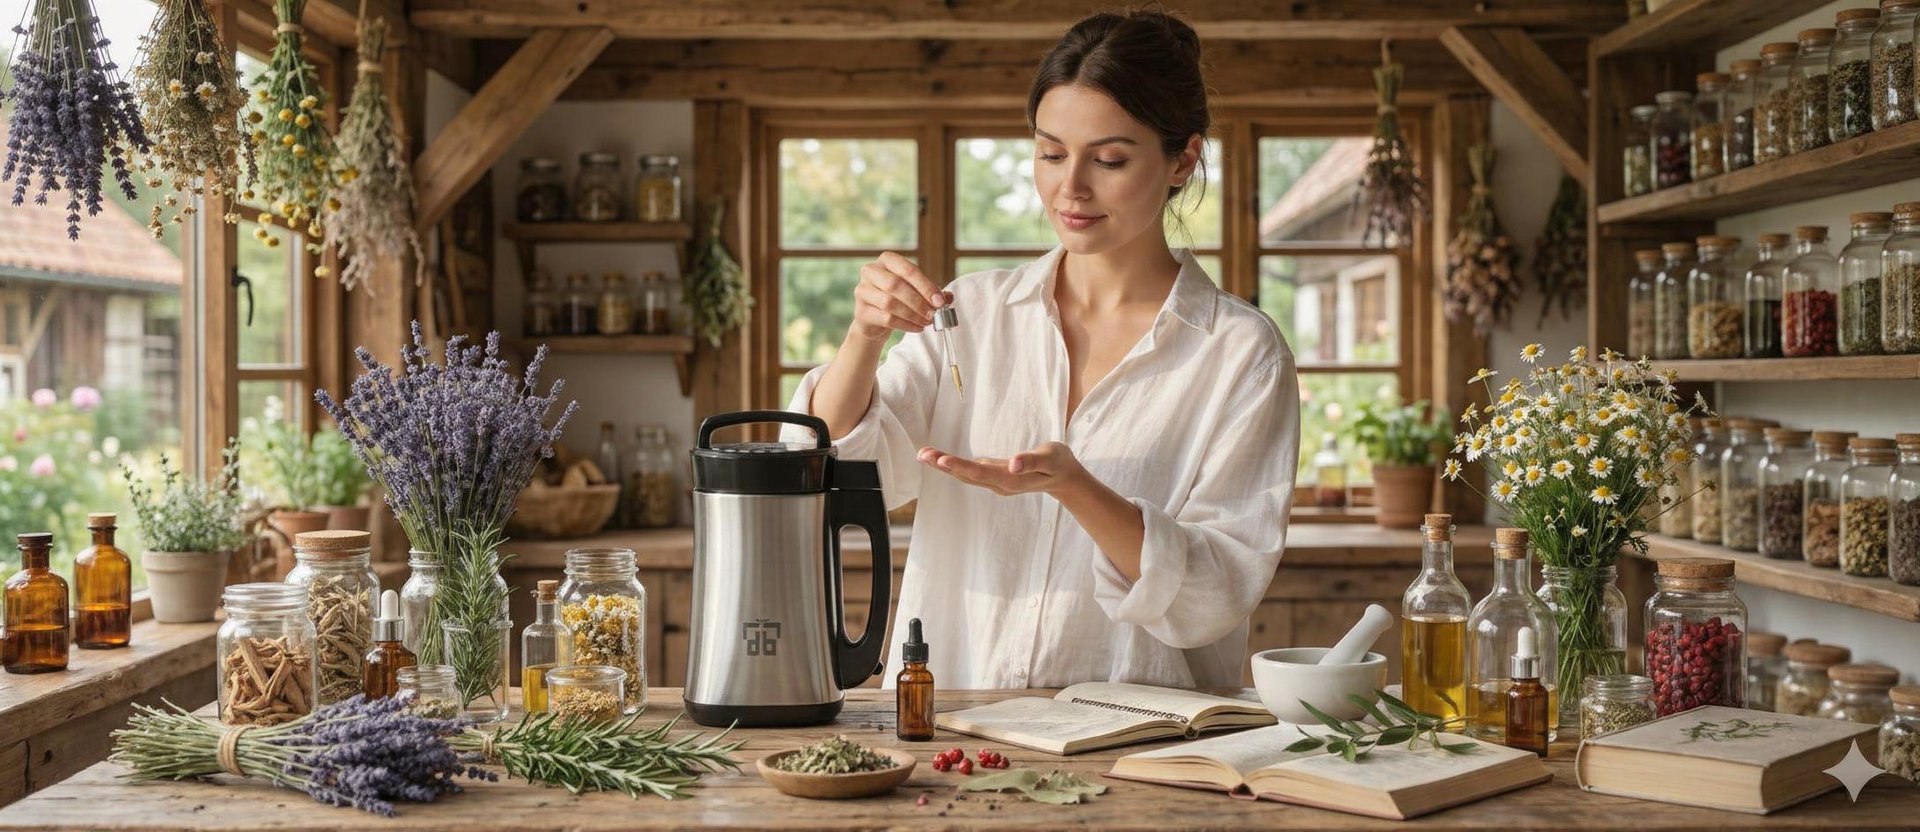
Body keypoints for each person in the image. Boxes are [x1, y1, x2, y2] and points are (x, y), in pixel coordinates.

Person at [788, 8, 1300, 690]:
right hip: (952, 723)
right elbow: (835, 471)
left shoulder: (1240, 355)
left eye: (1110, 159)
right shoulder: (968, 315)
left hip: (1142, 746)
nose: (1071, 188)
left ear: (1183, 159)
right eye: (1051, 153)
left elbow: (1214, 593)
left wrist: (1076, 489)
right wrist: (864, 336)